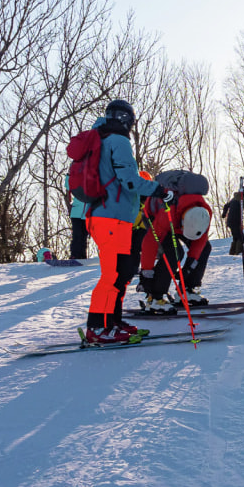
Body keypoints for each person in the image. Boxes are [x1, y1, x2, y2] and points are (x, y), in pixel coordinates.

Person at [82, 100, 166, 344]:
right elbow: (130, 180)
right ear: (126, 119)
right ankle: (97, 328)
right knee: (111, 275)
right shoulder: (117, 141)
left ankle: (112, 321)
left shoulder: (103, 139)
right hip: (110, 217)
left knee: (122, 272)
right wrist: (159, 190)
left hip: (111, 216)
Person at [139, 189, 213, 314]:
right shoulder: (166, 216)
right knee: (174, 253)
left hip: (181, 218)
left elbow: (199, 244)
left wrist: (189, 267)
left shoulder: (204, 215)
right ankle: (155, 298)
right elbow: (149, 245)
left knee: (205, 248)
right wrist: (146, 273)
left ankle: (186, 290)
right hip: (155, 216)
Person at [68, 174, 88, 260]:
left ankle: (82, 255)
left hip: (87, 214)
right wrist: (69, 174)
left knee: (84, 235)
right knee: (77, 234)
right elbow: (68, 185)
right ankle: (75, 255)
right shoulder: (76, 179)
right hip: (76, 213)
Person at [221, 191, 244, 255]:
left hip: (230, 222)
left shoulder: (234, 199)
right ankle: (238, 253)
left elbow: (226, 205)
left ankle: (232, 253)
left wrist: (224, 214)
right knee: (241, 238)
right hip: (236, 221)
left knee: (236, 237)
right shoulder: (241, 200)